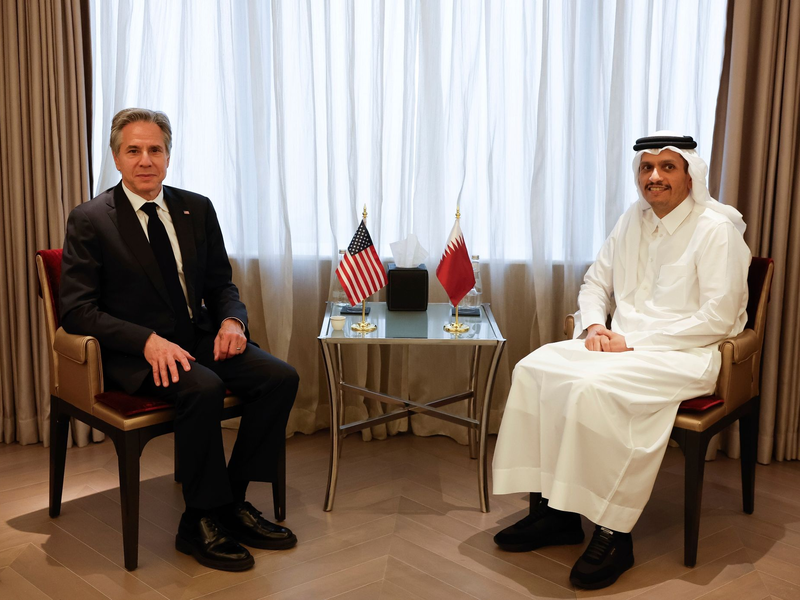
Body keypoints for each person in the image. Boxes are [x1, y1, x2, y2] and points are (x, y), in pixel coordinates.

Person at [491, 132, 751, 590]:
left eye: (668, 167)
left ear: (691, 175)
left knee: (595, 391)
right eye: (646, 168)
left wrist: (632, 341)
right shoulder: (631, 219)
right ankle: (556, 511)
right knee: (534, 369)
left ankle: (615, 533)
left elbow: (720, 317)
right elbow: (595, 283)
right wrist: (593, 327)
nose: (655, 177)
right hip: (617, 345)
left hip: (684, 354)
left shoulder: (716, 231)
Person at [60, 108, 299, 572]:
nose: (145, 160)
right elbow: (77, 310)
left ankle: (232, 500)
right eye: (134, 150)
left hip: (199, 338)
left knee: (279, 378)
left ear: (169, 156)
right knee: (202, 387)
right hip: (138, 353)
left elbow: (221, 284)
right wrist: (146, 340)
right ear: (116, 157)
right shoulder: (91, 219)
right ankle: (199, 520)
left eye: (155, 149)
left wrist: (233, 322)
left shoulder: (196, 208)